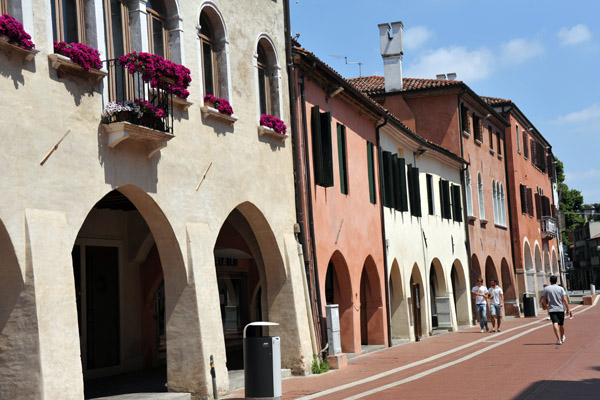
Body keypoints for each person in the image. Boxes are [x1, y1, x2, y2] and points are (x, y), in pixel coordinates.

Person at [541, 275, 572, 345]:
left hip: (552, 309)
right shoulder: (560, 288)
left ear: (550, 281)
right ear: (556, 280)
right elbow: (564, 299)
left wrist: (546, 305)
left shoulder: (546, 289)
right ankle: (562, 337)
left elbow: (543, 299)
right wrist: (568, 309)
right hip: (560, 309)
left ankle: (558, 339)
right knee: (561, 324)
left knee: (555, 323)